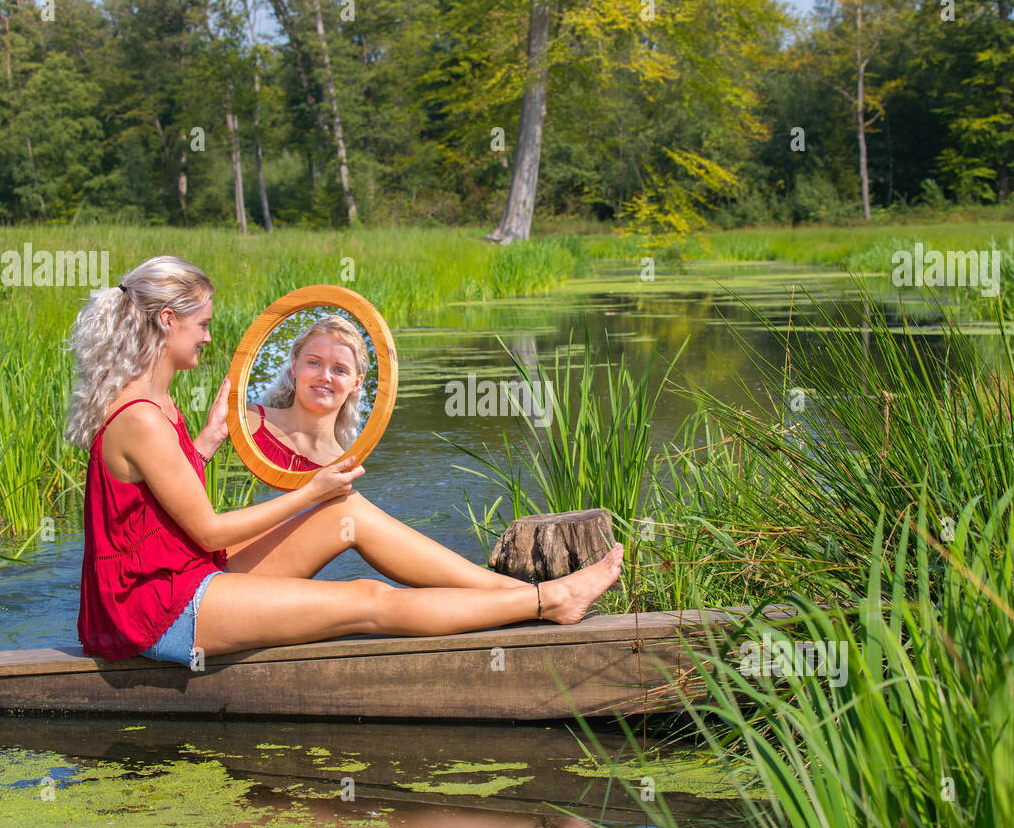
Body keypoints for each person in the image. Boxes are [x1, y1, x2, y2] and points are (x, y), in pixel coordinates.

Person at [64, 255, 623, 668]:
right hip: (157, 608)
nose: (209, 337)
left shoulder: (157, 402)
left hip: (182, 570)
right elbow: (208, 526)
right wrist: (309, 492)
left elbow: (157, 508)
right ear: (166, 320)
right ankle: (548, 600)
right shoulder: (138, 414)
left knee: (344, 514)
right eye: (203, 324)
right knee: (367, 601)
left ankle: (501, 593)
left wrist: (207, 443)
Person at [244, 313, 366, 473]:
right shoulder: (247, 419)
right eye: (314, 363)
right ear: (294, 367)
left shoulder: (342, 466)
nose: (324, 377)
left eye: (339, 370)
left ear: (356, 384)